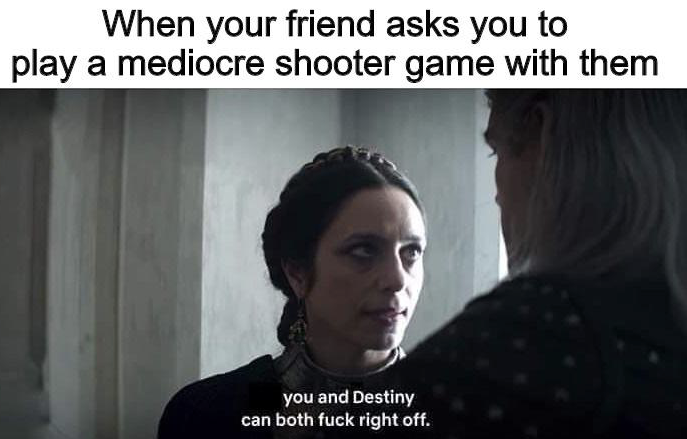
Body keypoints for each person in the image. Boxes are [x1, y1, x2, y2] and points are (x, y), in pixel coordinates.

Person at [359, 90, 687, 439]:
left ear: (543, 139)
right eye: (363, 251)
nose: (497, 196)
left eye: (497, 151)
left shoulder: (533, 338)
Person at [157, 146, 427, 438]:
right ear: (297, 272)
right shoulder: (211, 414)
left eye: (411, 252)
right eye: (363, 251)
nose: (397, 279)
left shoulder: (452, 410)